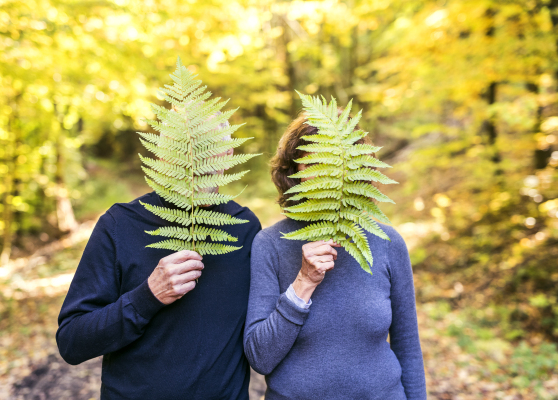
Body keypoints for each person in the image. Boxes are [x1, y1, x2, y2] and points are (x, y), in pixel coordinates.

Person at [56, 119, 261, 399]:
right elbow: (71, 342)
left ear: (228, 153)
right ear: (162, 154)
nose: (194, 160)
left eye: (209, 147)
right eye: (184, 148)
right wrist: (147, 296)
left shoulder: (245, 227)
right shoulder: (119, 225)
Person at [243, 114, 427, 399]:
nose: (324, 175)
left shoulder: (388, 243)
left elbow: (408, 348)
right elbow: (260, 357)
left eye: (333, 165)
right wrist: (303, 283)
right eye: (312, 164)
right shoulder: (269, 244)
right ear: (294, 172)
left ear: (356, 170)